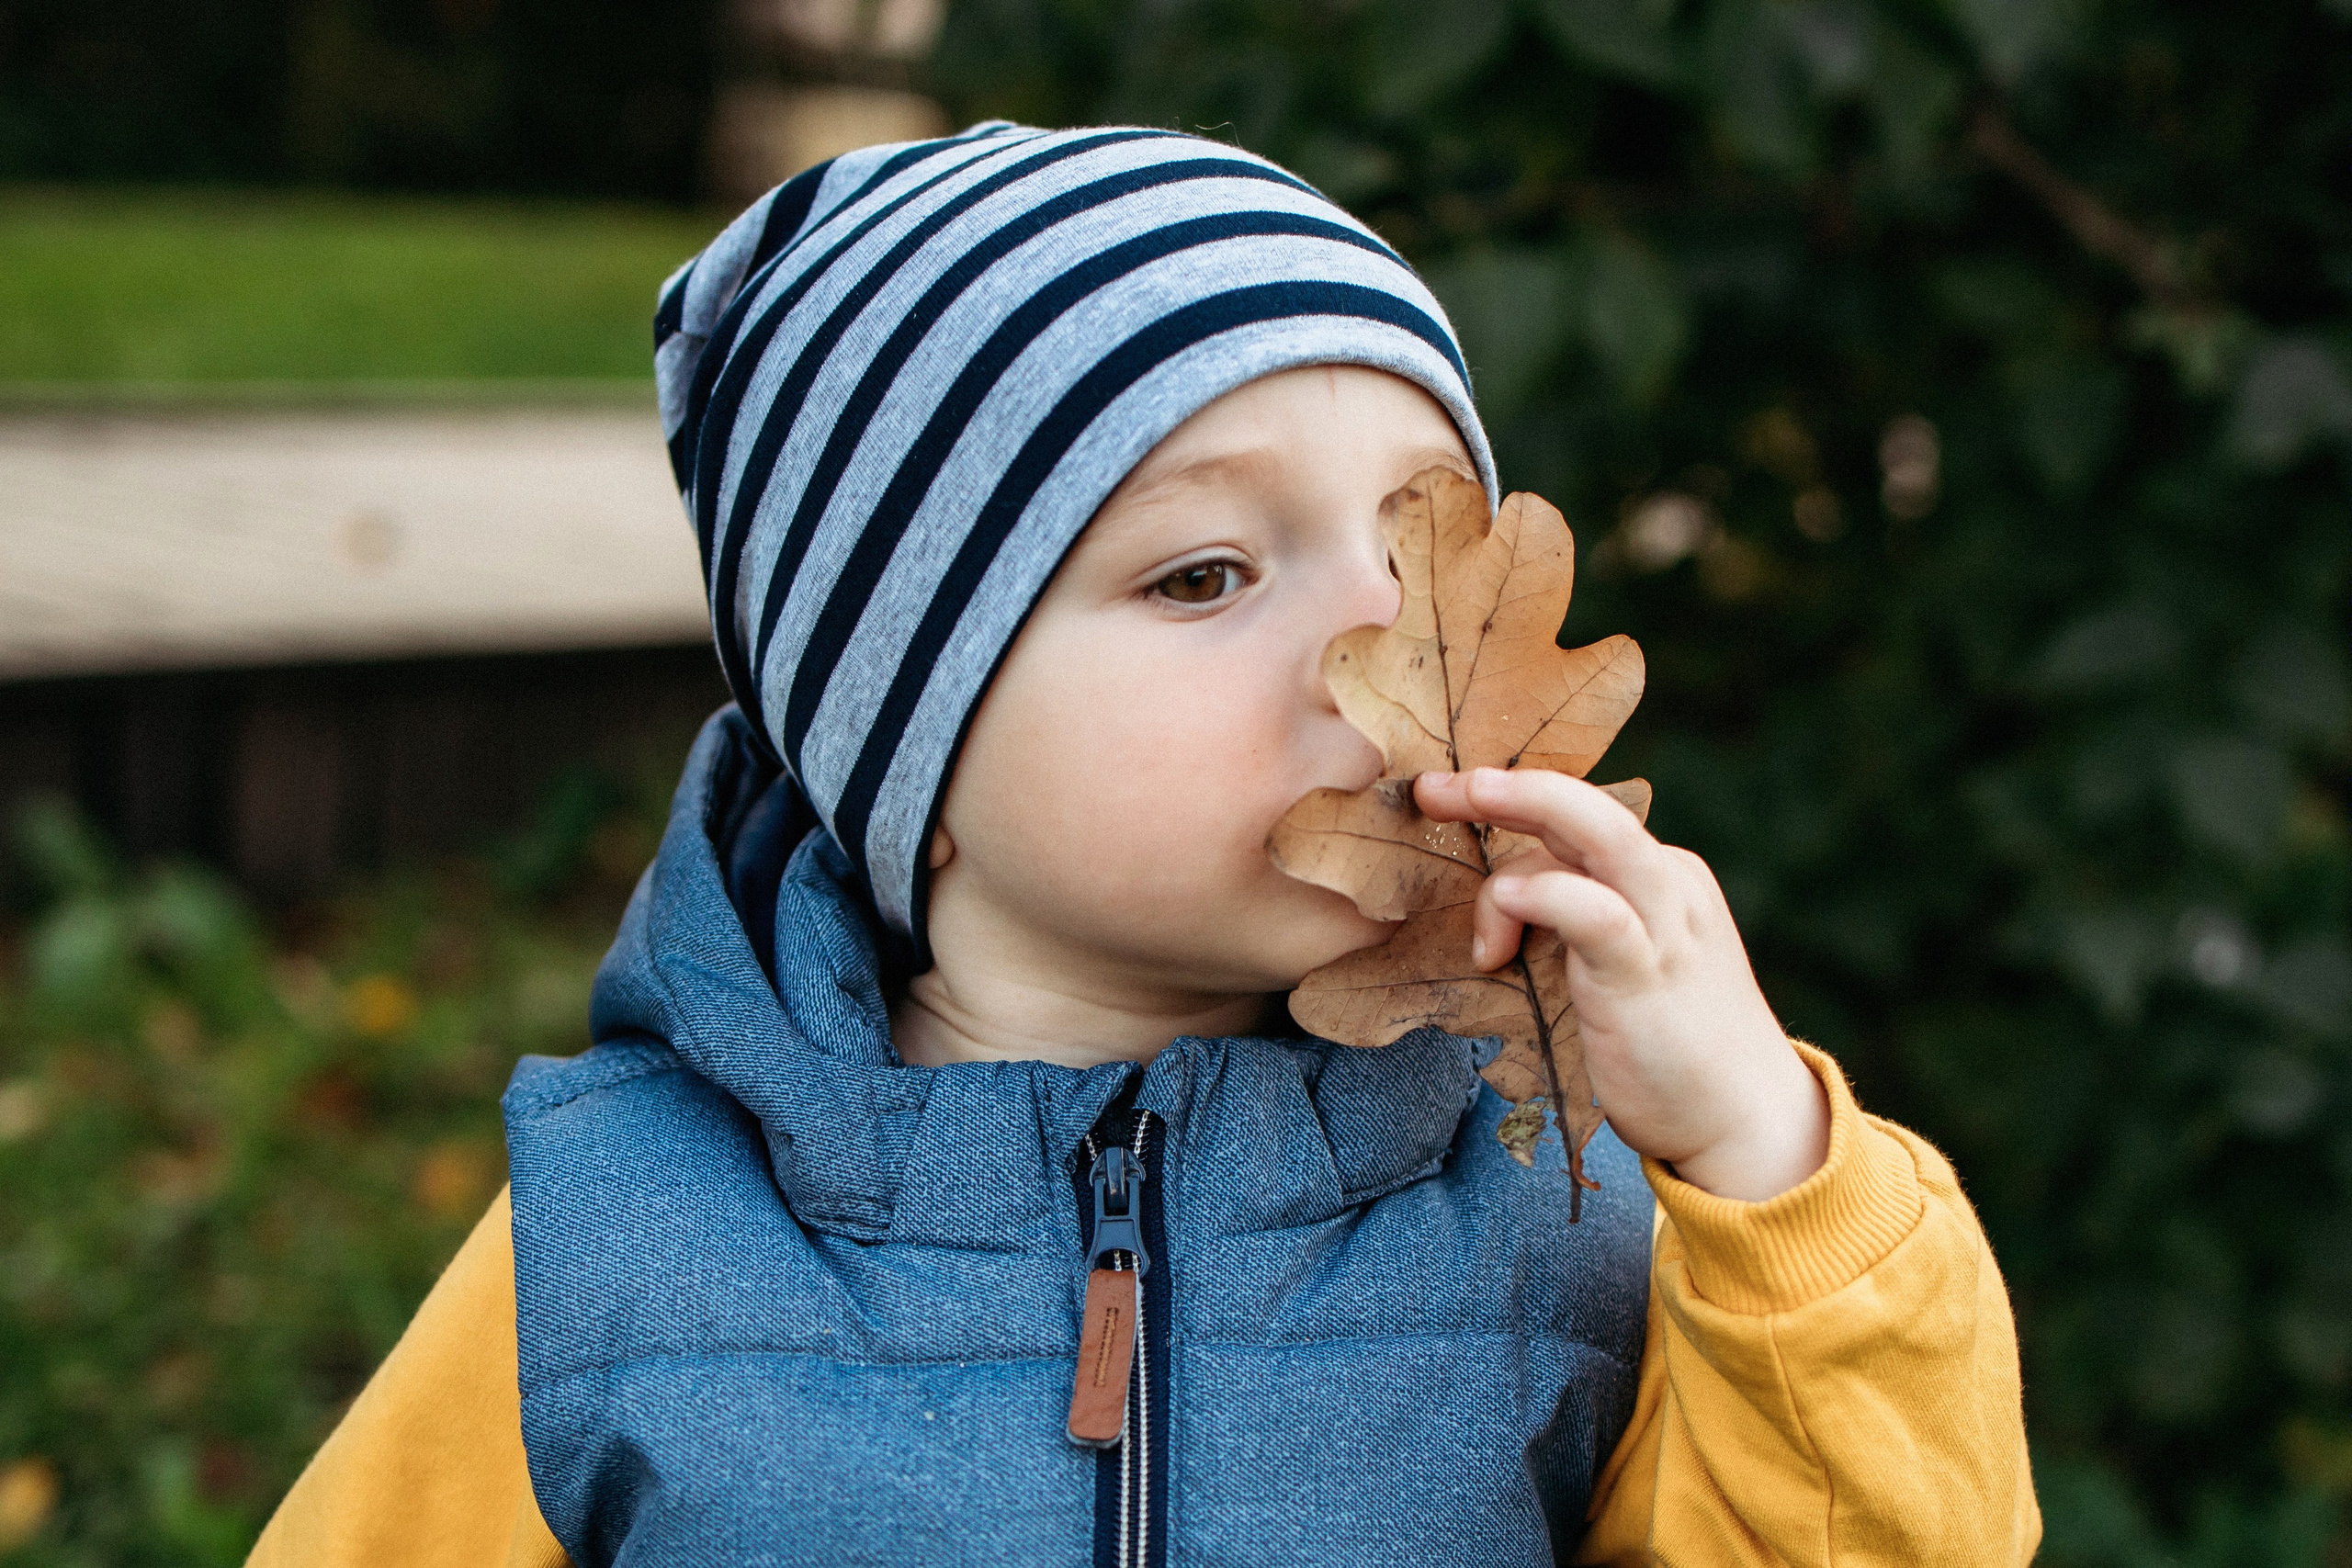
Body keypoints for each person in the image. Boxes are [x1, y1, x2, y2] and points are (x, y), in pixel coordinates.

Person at [248, 122, 2038, 1567]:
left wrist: (1761, 1160)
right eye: (1200, 574)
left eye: (1427, 561)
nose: (1372, 649)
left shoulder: (1565, 1214)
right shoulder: (614, 1254)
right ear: (907, 754)